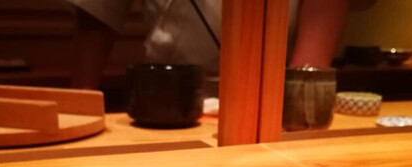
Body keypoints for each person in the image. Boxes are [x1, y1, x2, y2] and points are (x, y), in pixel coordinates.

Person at [67, 0, 350, 88]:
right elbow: (98, 10)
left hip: (276, 90)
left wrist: (302, 98)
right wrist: (79, 105)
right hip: (167, 90)